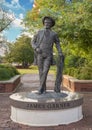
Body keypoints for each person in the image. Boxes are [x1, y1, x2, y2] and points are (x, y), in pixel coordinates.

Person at [31, 16, 63, 94]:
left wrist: (60, 52)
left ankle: (40, 88)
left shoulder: (54, 34)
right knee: (41, 72)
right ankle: (43, 89)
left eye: (48, 22)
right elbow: (32, 42)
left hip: (48, 55)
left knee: (45, 71)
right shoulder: (39, 32)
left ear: (52, 24)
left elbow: (57, 43)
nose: (47, 24)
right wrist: (36, 48)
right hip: (40, 54)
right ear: (43, 23)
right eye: (45, 22)